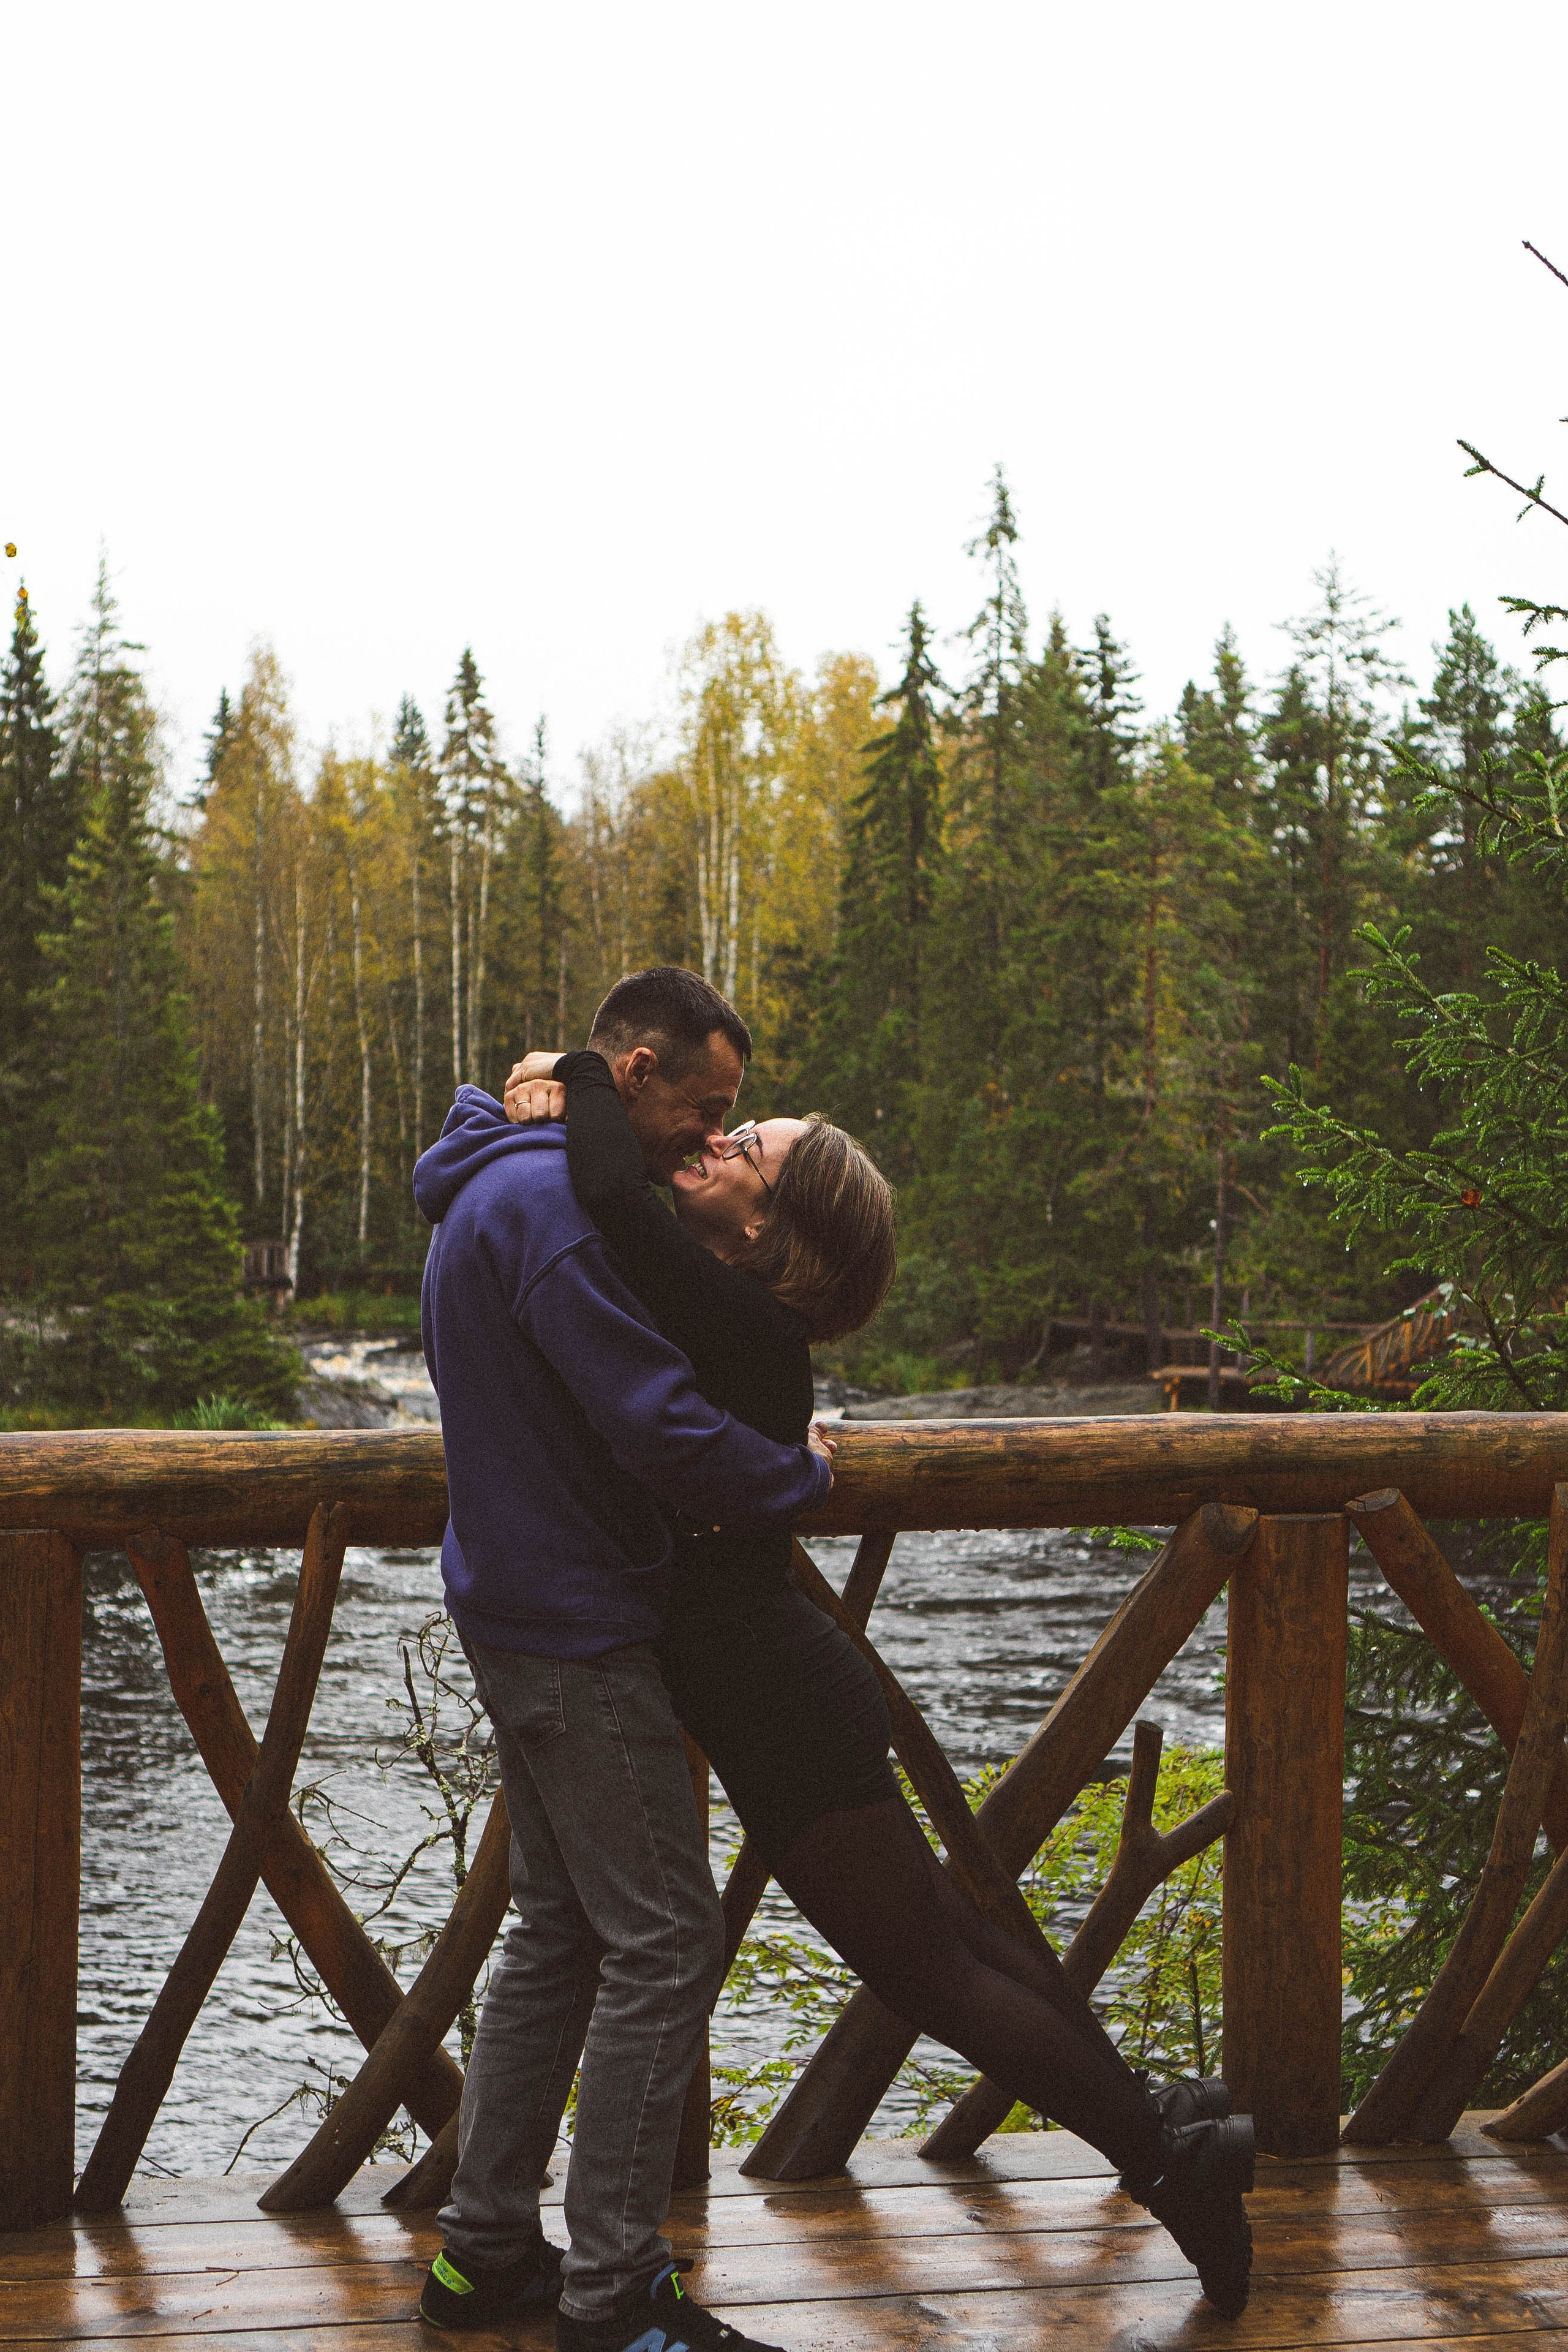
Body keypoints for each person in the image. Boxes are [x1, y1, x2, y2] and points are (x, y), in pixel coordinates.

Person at [502, 1033, 1257, 2320]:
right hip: (778, 1684)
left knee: (933, 1972)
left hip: (777, 1701)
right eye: (735, 1129)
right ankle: (1166, 2130)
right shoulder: (732, 1317)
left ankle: (1168, 2164)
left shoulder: (734, 1314)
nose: (716, 1143)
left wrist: (574, 1072)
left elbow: (610, 1197)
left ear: (778, 1234)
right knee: (949, 1948)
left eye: (749, 1146)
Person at [413, 967, 836, 2352]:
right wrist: (795, 1475)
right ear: (636, 1071)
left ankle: (481, 2252)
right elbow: (656, 1425)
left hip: (510, 1600)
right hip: (577, 1624)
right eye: (701, 1109)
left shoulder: (498, 1175)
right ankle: (613, 2295)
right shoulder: (556, 1215)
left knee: (555, 1930)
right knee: (668, 1938)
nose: (704, 1140)